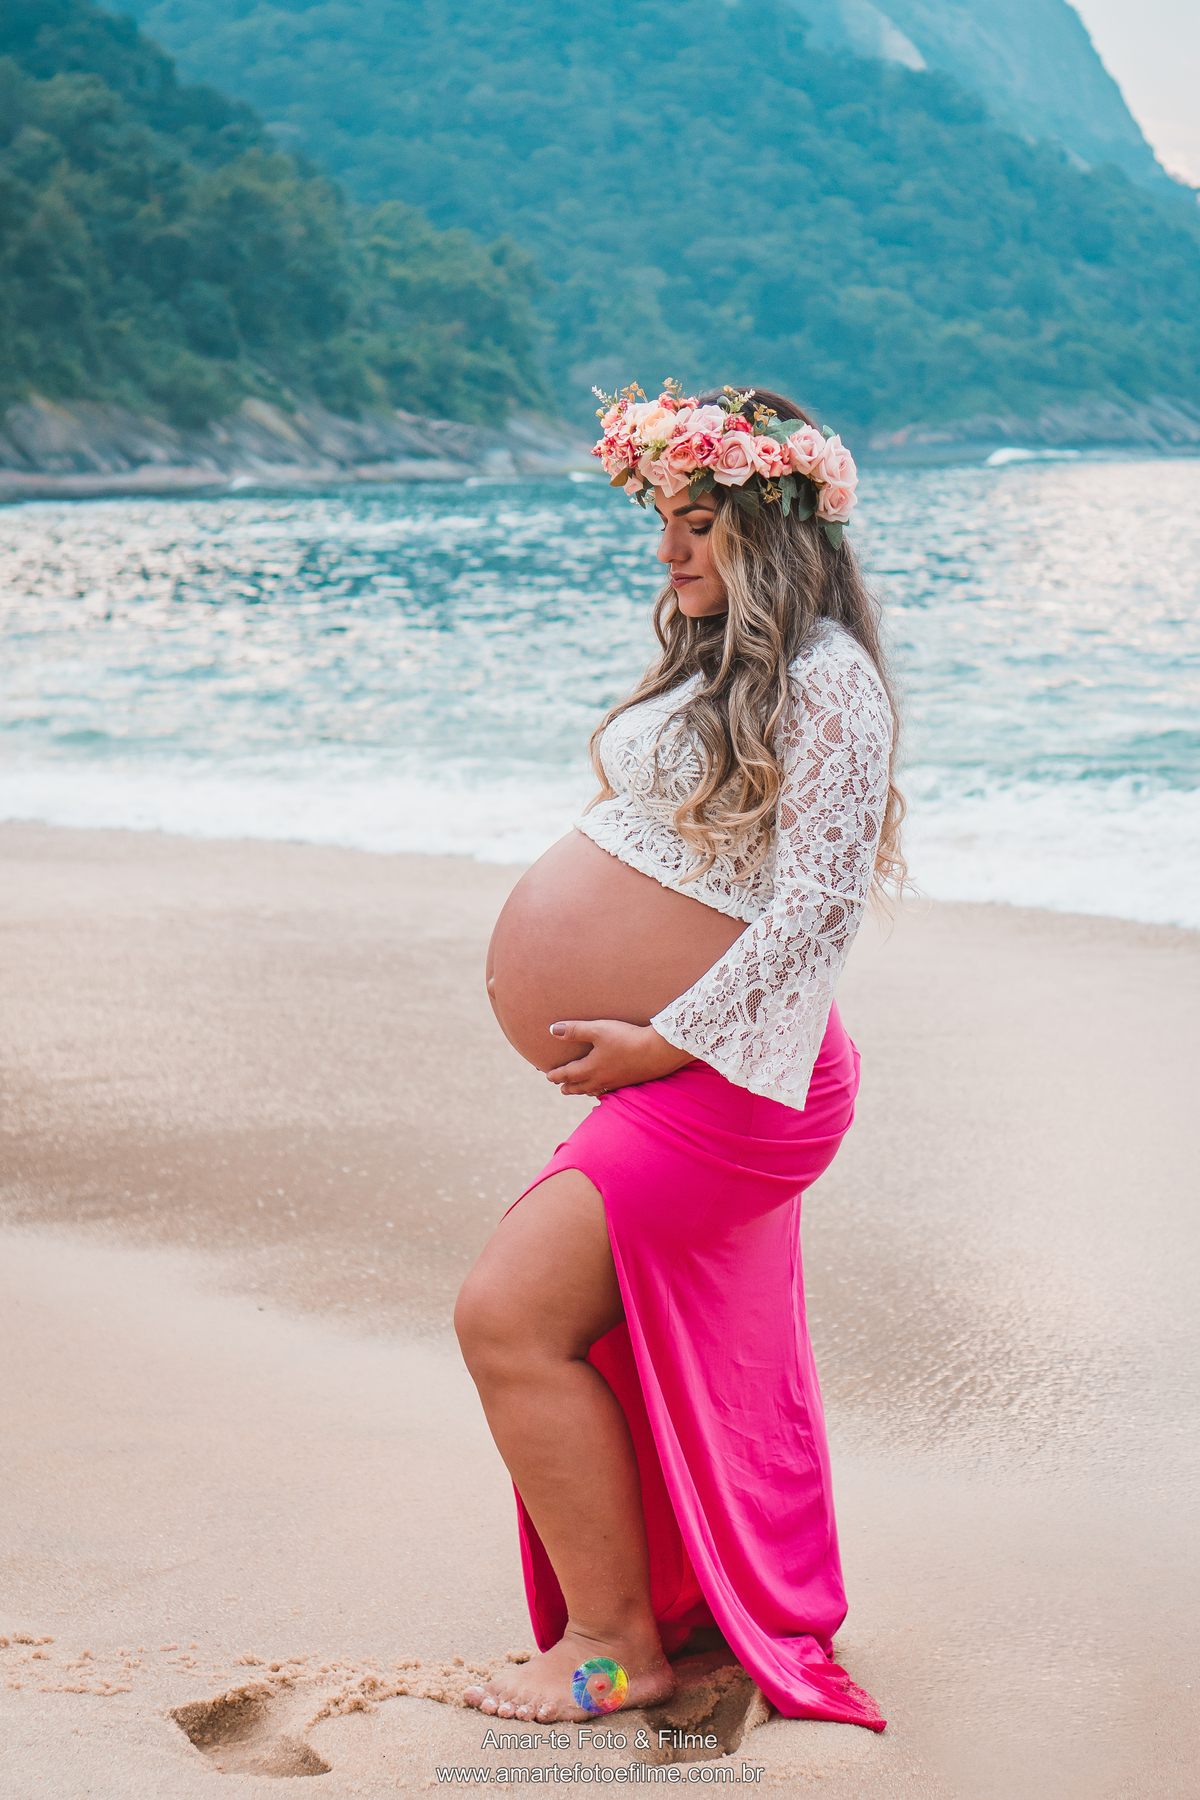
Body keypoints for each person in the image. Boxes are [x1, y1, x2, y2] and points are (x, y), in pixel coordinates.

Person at [455, 383, 902, 1731]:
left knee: (510, 1319)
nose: (669, 554)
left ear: (771, 528)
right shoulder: (724, 665)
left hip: (737, 1087)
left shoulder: (829, 677)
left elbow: (819, 909)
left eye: (696, 524)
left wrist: (664, 1036)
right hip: (686, 1073)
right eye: (664, 522)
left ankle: (612, 1649)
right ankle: (649, 1621)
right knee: (568, 1336)